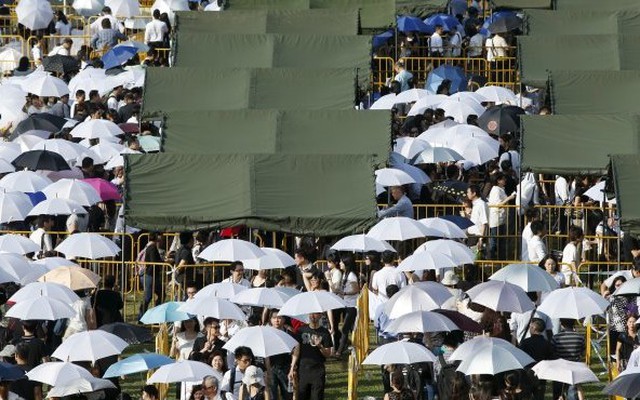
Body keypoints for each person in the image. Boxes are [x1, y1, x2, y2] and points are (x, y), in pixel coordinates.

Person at [288, 313, 332, 400]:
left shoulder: (324, 332)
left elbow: (328, 354)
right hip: (303, 370)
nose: (313, 316)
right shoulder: (301, 330)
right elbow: (297, 350)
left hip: (318, 371)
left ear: (320, 315)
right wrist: (292, 367)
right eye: (311, 314)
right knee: (302, 396)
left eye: (315, 314)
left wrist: (320, 346)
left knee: (317, 397)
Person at [519, 319, 554, 400]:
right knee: (539, 396)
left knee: (525, 396)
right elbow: (550, 358)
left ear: (534, 328)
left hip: (527, 374)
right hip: (541, 374)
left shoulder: (525, 342)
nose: (529, 329)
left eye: (530, 327)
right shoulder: (546, 343)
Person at [551, 319, 585, 400]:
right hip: (574, 369)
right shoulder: (580, 337)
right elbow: (583, 353)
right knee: (572, 393)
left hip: (559, 368)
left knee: (558, 393)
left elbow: (552, 353)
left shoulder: (555, 338)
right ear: (574, 323)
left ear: (561, 324)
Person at [335, 255, 359, 358]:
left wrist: (344, 293)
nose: (339, 264)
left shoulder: (351, 275)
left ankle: (339, 352)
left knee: (345, 328)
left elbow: (355, 290)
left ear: (346, 264)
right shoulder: (345, 274)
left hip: (352, 305)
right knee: (350, 328)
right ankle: (352, 346)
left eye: (341, 262)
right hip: (346, 304)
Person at [487, 172, 516, 260]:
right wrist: (510, 198)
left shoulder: (500, 189)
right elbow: (498, 204)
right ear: (498, 181)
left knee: (500, 241)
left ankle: (500, 259)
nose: (505, 180)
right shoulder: (496, 190)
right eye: (503, 179)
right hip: (496, 220)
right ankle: (492, 259)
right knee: (495, 241)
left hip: (500, 219)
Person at [266, 310, 293, 400]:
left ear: (284, 319)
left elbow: (295, 350)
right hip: (272, 367)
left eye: (279, 318)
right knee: (273, 395)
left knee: (287, 394)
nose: (277, 320)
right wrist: (268, 370)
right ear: (270, 320)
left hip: (286, 367)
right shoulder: (266, 334)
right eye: (274, 318)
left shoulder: (289, 334)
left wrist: (293, 368)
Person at [138, 232, 165, 321]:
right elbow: (154, 261)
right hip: (150, 275)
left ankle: (153, 315)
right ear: (157, 237)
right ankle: (141, 317)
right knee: (148, 297)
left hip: (151, 275)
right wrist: (164, 262)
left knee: (160, 294)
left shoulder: (148, 246)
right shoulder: (152, 247)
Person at [466, 185, 489, 252]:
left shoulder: (481, 204)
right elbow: (476, 220)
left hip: (477, 236)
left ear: (474, 193)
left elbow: (484, 223)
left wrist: (481, 239)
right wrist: (467, 216)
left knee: (476, 259)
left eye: (468, 192)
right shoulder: (475, 204)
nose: (467, 194)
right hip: (472, 235)